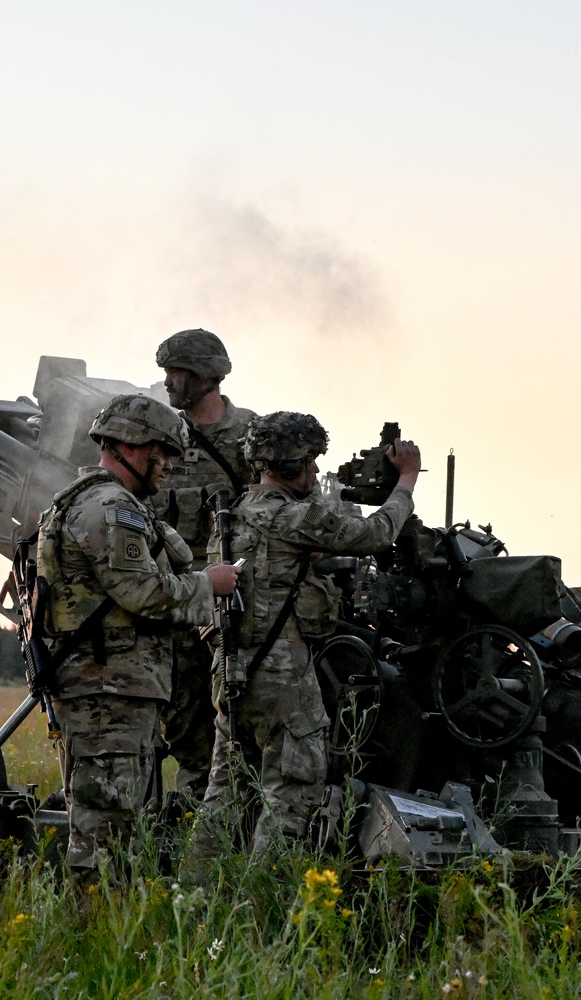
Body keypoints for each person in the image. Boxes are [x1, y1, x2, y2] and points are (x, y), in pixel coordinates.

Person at [196, 411, 422, 860]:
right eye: (310, 462)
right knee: (293, 791)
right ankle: (266, 903)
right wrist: (407, 481)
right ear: (288, 466)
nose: (316, 472)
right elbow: (377, 532)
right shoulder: (296, 518)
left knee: (223, 792)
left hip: (231, 670)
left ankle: (197, 893)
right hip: (284, 677)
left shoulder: (234, 517)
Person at [36, 392, 241, 872]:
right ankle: (92, 935)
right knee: (105, 834)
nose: (169, 464)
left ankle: (111, 930)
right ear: (128, 446)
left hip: (118, 691)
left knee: (122, 828)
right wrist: (209, 586)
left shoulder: (113, 503)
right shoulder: (110, 508)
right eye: (162, 451)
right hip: (106, 693)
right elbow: (143, 593)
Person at [152, 328, 258, 797]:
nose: (169, 382)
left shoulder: (252, 437)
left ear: (205, 376)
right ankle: (197, 802)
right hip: (176, 607)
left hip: (235, 606)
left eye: (178, 372)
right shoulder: (159, 437)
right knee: (181, 714)